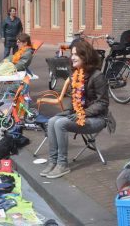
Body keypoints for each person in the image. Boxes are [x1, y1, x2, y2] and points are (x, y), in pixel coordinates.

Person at [40, 40, 109, 179]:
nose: (72, 57)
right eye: (72, 54)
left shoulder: (97, 76)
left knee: (60, 123)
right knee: (53, 120)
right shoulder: (75, 75)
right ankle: (53, 161)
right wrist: (68, 111)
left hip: (98, 118)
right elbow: (75, 100)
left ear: (85, 56)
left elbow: (103, 103)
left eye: (76, 54)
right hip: (80, 115)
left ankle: (62, 164)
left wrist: (83, 113)